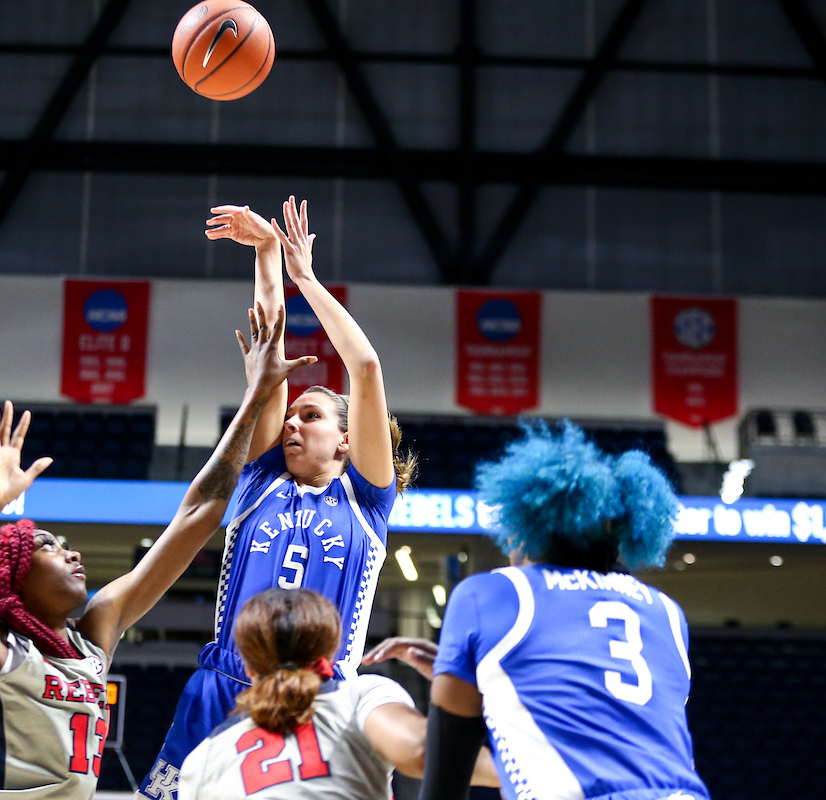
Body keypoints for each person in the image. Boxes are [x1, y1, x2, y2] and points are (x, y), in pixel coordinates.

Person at [0, 303, 315, 800]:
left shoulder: (95, 633)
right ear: (16, 578)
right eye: (49, 548)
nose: (71, 554)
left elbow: (200, 513)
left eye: (65, 545)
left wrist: (255, 398)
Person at [140, 197, 417, 799]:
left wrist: (304, 279)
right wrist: (265, 256)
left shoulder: (367, 501)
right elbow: (269, 357)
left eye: (310, 416)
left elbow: (365, 368)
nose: (292, 422)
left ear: (346, 439)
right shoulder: (261, 482)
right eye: (291, 416)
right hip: (225, 684)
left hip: (320, 695)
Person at [369, 423, 711, 800]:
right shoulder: (665, 611)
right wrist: (487, 678)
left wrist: (461, 677)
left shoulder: (493, 592)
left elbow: (445, 776)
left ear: (525, 528)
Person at [177, 588, 430, 799]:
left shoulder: (203, 759)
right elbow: (422, 752)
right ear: (331, 650)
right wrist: (451, 681)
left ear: (248, 668)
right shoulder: (363, 696)